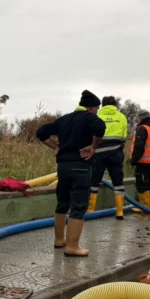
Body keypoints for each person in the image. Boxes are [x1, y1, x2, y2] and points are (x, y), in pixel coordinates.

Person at [35, 90, 106, 257]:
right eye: (96, 108)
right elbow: (100, 127)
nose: (96, 111)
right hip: (80, 166)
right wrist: (94, 147)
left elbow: (40, 132)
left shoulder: (64, 119)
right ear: (92, 107)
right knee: (78, 206)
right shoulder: (89, 118)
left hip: (63, 166)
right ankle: (72, 246)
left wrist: (56, 147)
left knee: (62, 202)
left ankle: (59, 240)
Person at [87, 96, 128, 219]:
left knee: (94, 181)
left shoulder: (96, 116)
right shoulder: (121, 117)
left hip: (98, 153)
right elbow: (124, 136)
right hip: (116, 154)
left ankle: (90, 210)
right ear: (115, 104)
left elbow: (90, 135)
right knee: (118, 181)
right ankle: (120, 211)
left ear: (103, 105)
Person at [129, 109, 150, 214]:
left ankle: (144, 207)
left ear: (141, 118)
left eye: (138, 118)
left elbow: (139, 146)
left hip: (144, 161)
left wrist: (133, 161)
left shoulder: (142, 128)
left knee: (142, 184)